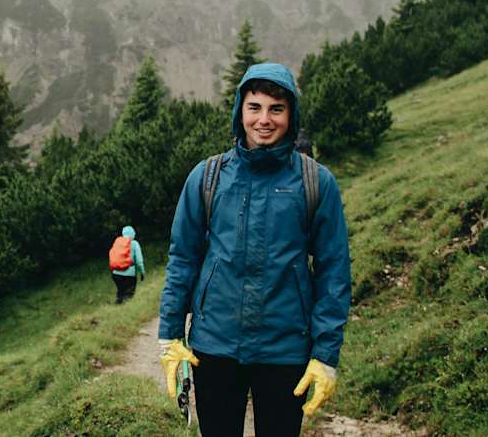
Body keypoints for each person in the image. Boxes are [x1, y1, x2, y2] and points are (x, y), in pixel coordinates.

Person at [157, 63, 352, 436]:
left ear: (290, 115)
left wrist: (325, 355)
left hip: (285, 351)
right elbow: (183, 259)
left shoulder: (316, 182)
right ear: (239, 111)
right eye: (254, 107)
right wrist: (170, 335)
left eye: (276, 109)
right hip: (213, 347)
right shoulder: (207, 177)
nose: (264, 119)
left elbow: (333, 271)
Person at [109, 225, 145, 304]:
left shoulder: (118, 242)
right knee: (128, 295)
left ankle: (117, 307)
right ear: (133, 234)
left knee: (120, 293)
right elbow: (139, 260)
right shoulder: (134, 243)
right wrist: (142, 272)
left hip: (116, 274)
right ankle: (127, 307)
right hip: (129, 275)